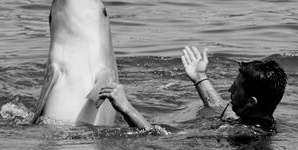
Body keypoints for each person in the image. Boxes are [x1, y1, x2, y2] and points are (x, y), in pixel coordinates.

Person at [99, 46, 287, 133]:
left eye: (236, 88)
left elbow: (160, 139)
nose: (229, 88)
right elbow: (223, 109)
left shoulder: (243, 133)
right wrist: (200, 78)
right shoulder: (259, 118)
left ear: (251, 102)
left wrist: (126, 108)